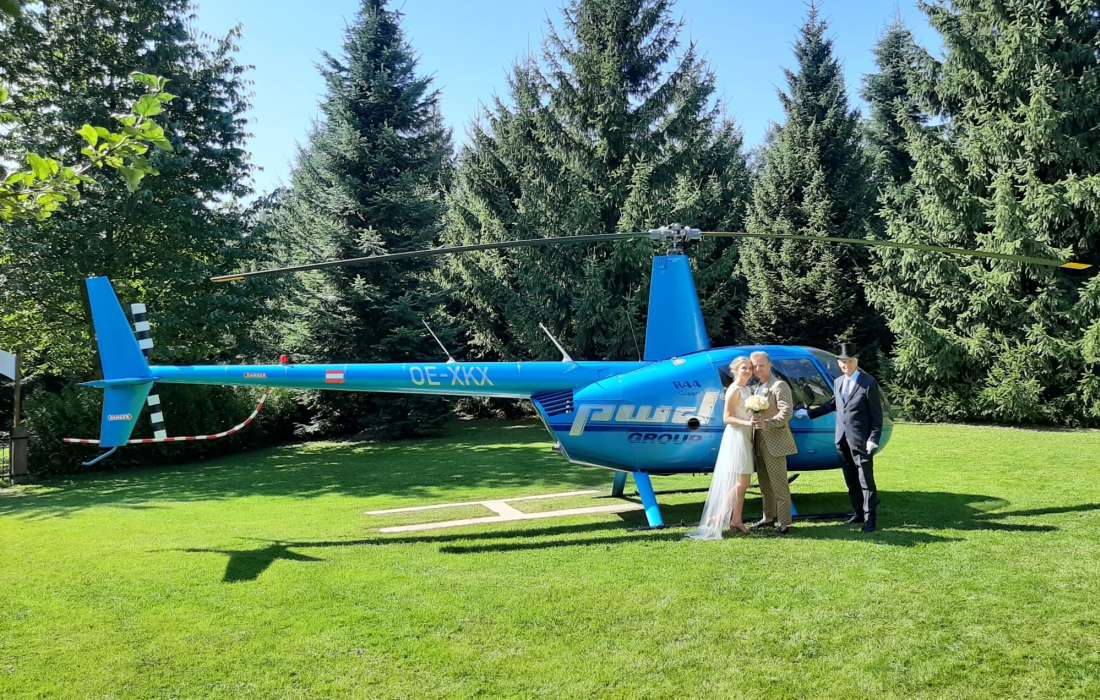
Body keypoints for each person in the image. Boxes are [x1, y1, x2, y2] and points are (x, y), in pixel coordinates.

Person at [806, 343, 884, 533]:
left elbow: (877, 416)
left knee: (865, 481)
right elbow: (835, 404)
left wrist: (873, 438)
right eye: (843, 362)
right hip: (841, 439)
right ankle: (858, 513)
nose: (846, 365)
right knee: (851, 480)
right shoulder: (838, 381)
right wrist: (809, 413)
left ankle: (870, 520)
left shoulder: (868, 383)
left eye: (849, 361)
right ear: (838, 363)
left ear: (856, 362)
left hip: (861, 440)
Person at [686, 356, 757, 540]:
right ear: (735, 370)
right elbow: (727, 418)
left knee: (742, 482)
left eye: (750, 368)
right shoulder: (734, 389)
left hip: (746, 435)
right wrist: (748, 423)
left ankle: (737, 520)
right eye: (743, 368)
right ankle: (717, 516)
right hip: (737, 436)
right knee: (742, 482)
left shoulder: (748, 389)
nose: (747, 371)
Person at [749, 351, 798, 534]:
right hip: (758, 442)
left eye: (761, 365)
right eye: (755, 365)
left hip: (775, 443)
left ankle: (785, 523)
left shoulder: (779, 385)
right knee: (764, 484)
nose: (758, 368)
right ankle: (768, 517)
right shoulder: (757, 387)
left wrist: (767, 423)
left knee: (779, 485)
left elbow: (786, 413)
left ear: (770, 365)